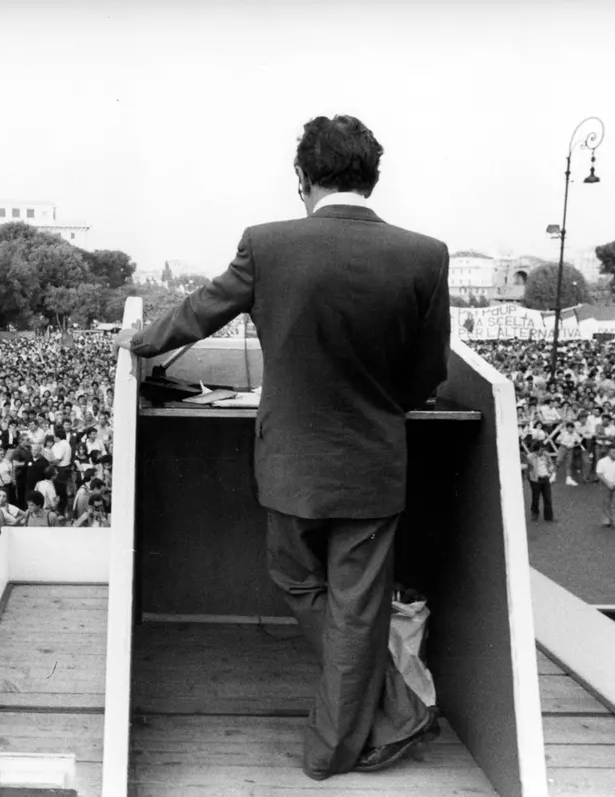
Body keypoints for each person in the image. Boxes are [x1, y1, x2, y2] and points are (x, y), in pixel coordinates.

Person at [116, 114, 449, 779]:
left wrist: (138, 340)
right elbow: (425, 378)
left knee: (299, 579)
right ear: (373, 176)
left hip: (291, 465)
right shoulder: (425, 254)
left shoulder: (267, 245)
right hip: (375, 466)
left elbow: (202, 310)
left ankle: (368, 728)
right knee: (360, 607)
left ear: (302, 178)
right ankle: (372, 722)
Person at [524, 440, 556, 522]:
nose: (543, 452)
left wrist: (551, 470)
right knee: (536, 498)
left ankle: (549, 517)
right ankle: (535, 513)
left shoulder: (546, 455)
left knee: (548, 499)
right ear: (536, 450)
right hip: (535, 480)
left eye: (543, 450)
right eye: (541, 450)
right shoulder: (530, 457)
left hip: (545, 478)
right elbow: (528, 469)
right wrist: (530, 478)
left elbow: (550, 464)